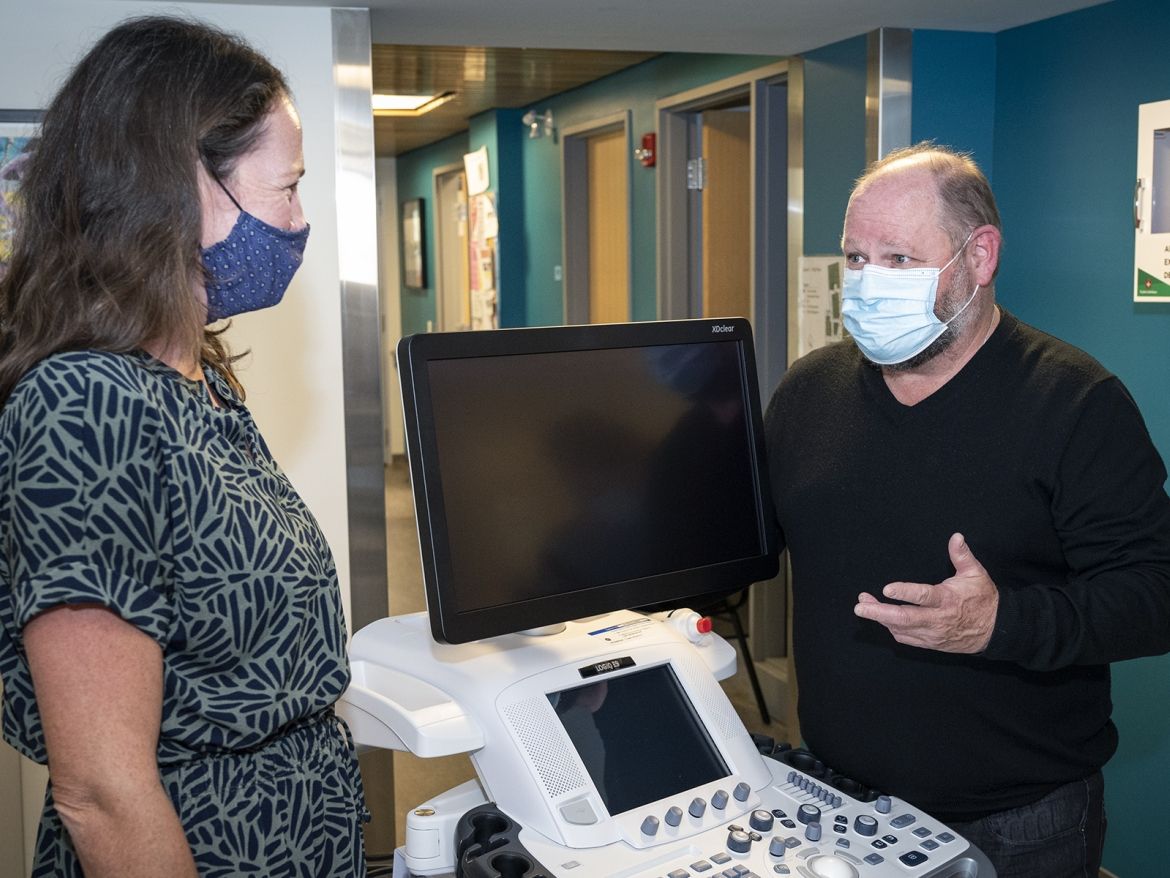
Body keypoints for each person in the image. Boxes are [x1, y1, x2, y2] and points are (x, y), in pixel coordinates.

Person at [0, 16, 368, 877]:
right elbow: (101, 791)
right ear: (179, 186)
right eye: (287, 188)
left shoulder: (198, 379)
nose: (298, 221)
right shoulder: (85, 407)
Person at [764, 143, 1170, 878]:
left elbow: (1154, 595)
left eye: (897, 259)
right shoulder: (808, 392)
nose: (865, 282)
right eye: (854, 258)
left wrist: (997, 624)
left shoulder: (1075, 404)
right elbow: (753, 542)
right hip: (839, 800)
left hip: (1017, 823)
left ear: (979, 258)